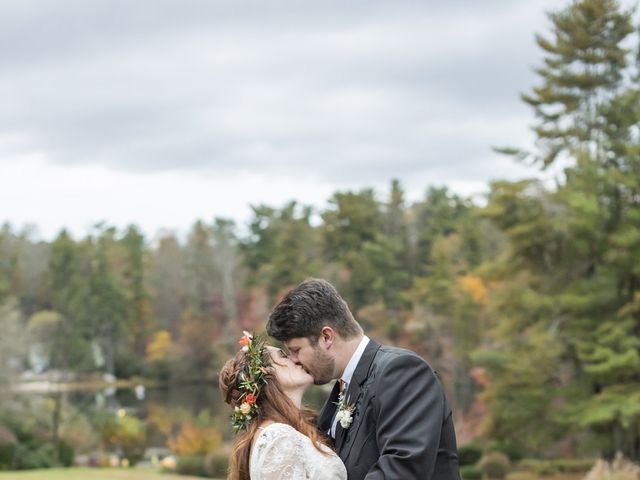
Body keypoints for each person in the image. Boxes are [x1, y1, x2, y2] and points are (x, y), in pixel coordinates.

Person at [266, 278, 461, 480]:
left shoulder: (403, 372)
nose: (294, 361)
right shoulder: (340, 392)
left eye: (296, 350)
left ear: (326, 337)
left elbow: (403, 469)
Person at [219, 331, 347, 480]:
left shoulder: (284, 432)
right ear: (266, 376)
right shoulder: (277, 437)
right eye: (284, 356)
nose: (296, 359)